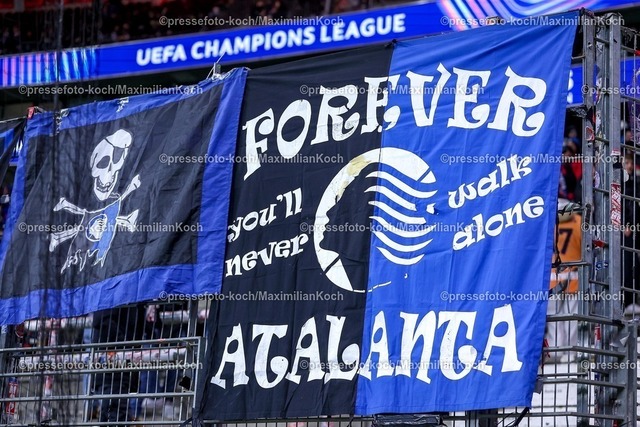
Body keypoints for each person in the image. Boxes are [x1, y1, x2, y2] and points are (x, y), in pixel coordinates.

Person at [91, 304, 145, 425]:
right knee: (114, 411)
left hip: (121, 365)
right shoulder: (112, 296)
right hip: (112, 364)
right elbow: (102, 320)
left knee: (115, 411)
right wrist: (125, 344)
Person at [546, 198, 582, 362]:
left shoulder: (548, 225)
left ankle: (555, 349)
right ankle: (570, 351)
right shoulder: (578, 222)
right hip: (573, 275)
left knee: (554, 317)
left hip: (553, 277)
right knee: (571, 316)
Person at [622, 151, 640, 317]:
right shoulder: (617, 185)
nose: (629, 166)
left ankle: (632, 300)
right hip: (622, 232)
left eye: (630, 163)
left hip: (634, 232)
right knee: (625, 265)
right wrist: (624, 224)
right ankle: (625, 301)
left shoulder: (636, 185)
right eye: (626, 163)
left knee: (634, 265)